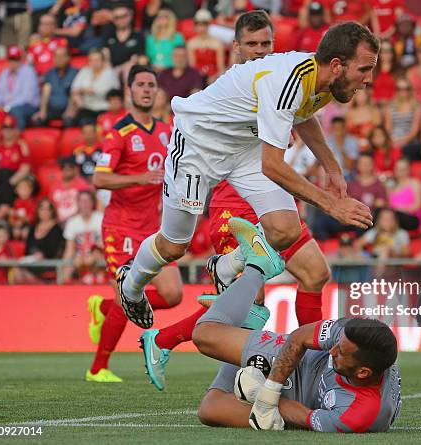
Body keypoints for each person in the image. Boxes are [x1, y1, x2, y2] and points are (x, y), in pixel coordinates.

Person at [116, 22, 377, 328]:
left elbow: (304, 115)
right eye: (365, 69)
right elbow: (273, 165)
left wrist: (332, 168)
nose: (368, 79)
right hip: (197, 146)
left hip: (244, 149)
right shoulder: (289, 80)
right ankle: (130, 284)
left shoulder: (325, 80)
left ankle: (225, 268)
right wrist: (332, 205)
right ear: (337, 65)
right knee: (174, 245)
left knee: (285, 229)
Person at [136, 13, 332, 371]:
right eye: (252, 45)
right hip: (231, 197)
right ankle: (227, 273)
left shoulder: (281, 82)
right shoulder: (224, 88)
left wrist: (333, 169)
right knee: (250, 303)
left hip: (269, 191)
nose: (259, 52)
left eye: (266, 44)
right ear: (235, 47)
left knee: (315, 273)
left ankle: (312, 368)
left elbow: (302, 118)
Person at [142, 218, 402, 432]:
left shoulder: (361, 416)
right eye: (337, 345)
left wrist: (263, 399)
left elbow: (302, 417)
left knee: (210, 410)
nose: (333, 351)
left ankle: (248, 320)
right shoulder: (358, 334)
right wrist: (269, 390)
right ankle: (258, 265)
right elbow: (300, 337)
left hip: (300, 399)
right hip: (298, 357)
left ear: (364, 373)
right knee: (205, 335)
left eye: (341, 353)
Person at [87, 64, 184, 383]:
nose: (146, 89)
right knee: (124, 297)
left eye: (151, 84)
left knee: (173, 295)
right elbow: (99, 179)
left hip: (152, 228)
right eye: (140, 84)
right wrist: (140, 177)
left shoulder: (165, 130)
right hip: (121, 227)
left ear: (157, 91)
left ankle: (104, 308)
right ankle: (97, 368)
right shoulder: (119, 134)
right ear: (129, 91)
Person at [0, 46, 40, 131]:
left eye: (16, 59)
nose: (13, 62)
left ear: (21, 59)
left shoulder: (28, 72)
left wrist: (7, 107)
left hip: (28, 106)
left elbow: (26, 97)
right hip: (7, 106)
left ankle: (17, 138)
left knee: (16, 111)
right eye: (11, 59)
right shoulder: (4, 73)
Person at [61, 190, 104, 283]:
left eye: (87, 201)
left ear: (92, 203)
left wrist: (96, 255)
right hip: (79, 262)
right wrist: (64, 272)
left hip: (99, 258)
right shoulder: (72, 222)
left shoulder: (101, 219)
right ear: (78, 203)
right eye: (82, 201)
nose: (85, 204)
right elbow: (69, 250)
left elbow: (106, 244)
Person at [69, 48, 120, 125]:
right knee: (78, 122)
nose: (94, 63)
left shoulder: (110, 73)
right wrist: (84, 90)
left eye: (97, 60)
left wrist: (83, 90)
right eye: (91, 60)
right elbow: (74, 89)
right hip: (86, 107)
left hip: (105, 108)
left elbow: (100, 91)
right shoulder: (84, 71)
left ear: (103, 61)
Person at [33, 46, 78, 127]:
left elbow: (75, 93)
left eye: (62, 56)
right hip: (52, 108)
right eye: (56, 56)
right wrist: (42, 111)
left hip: (68, 108)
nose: (58, 59)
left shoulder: (75, 73)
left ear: (68, 58)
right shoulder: (50, 73)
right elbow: (45, 92)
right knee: (38, 120)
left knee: (69, 121)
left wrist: (69, 110)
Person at [0, 114, 31, 186]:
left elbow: (25, 169)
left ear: (15, 130)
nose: (7, 131)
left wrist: (9, 184)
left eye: (10, 128)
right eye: (4, 128)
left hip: (14, 180)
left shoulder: (21, 146)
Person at [186, 9, 226, 83]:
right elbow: (192, 67)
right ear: (195, 26)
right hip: (197, 78)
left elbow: (221, 68)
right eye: (199, 25)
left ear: (209, 25)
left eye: (204, 25)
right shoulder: (191, 44)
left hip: (214, 78)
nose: (202, 28)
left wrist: (214, 77)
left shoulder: (217, 43)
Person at [102, 5, 145, 72]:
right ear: (113, 19)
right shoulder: (108, 35)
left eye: (124, 16)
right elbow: (105, 54)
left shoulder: (138, 36)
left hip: (129, 70)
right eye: (117, 17)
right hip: (110, 69)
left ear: (130, 16)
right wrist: (110, 70)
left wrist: (119, 69)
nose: (120, 19)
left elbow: (135, 58)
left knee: (129, 68)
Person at [383, 77, 421, 150]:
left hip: (409, 141)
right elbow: (388, 128)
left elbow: (414, 131)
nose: (403, 91)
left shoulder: (416, 107)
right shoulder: (390, 107)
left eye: (406, 88)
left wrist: (403, 141)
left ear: (410, 90)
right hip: (393, 139)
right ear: (396, 90)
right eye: (400, 89)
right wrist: (391, 140)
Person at [388, 157, 421, 231]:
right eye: (398, 168)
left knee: (392, 216)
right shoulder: (391, 184)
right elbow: (388, 204)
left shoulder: (414, 182)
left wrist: (402, 209)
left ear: (409, 170)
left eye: (403, 169)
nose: (400, 171)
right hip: (394, 217)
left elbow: (418, 205)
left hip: (411, 217)